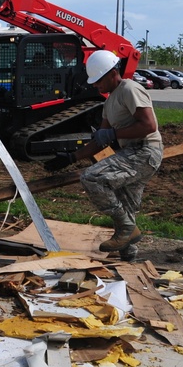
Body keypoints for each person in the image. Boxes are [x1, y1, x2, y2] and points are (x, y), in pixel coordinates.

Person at [44, 50, 163, 260]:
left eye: (98, 80)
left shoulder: (129, 89)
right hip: (133, 151)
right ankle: (129, 253)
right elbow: (101, 140)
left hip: (145, 151)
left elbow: (148, 125)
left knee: (92, 178)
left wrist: (114, 133)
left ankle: (127, 227)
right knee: (126, 203)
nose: (95, 85)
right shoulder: (109, 102)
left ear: (112, 73)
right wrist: (72, 157)